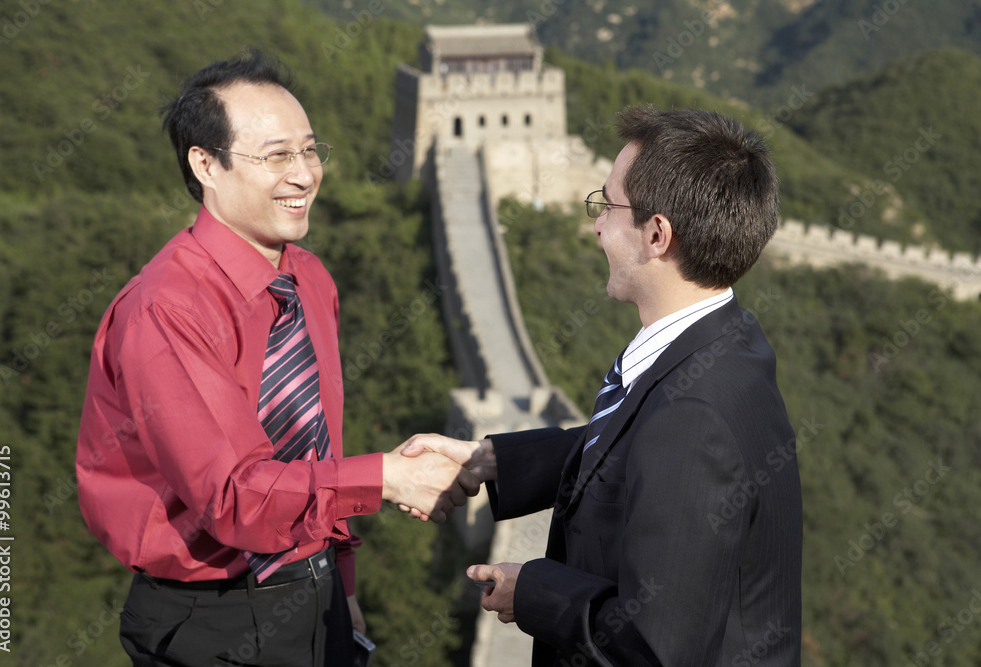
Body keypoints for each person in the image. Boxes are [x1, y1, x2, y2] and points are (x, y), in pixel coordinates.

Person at [75, 49, 478, 667]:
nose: (304, 174)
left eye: (311, 151)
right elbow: (233, 496)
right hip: (215, 617)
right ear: (206, 165)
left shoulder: (308, 280)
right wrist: (388, 477)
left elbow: (316, 447)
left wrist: (341, 586)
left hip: (313, 596)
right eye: (276, 156)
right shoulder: (166, 309)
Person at [401, 106, 802, 665]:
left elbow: (655, 647)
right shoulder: (726, 340)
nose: (595, 224)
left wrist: (534, 593)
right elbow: (637, 447)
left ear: (657, 234)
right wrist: (493, 460)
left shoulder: (694, 417)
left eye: (608, 205)